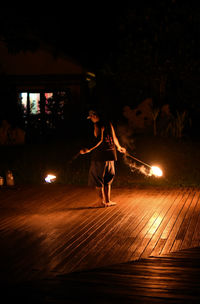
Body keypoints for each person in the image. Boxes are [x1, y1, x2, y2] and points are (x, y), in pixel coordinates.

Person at [80, 110, 126, 207]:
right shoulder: (108, 123)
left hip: (100, 156)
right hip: (111, 155)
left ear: (94, 116)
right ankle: (108, 201)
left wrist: (88, 149)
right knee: (107, 179)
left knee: (98, 179)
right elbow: (114, 137)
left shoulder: (98, 125)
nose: (91, 119)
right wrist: (119, 147)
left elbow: (99, 140)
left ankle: (102, 202)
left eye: (91, 117)